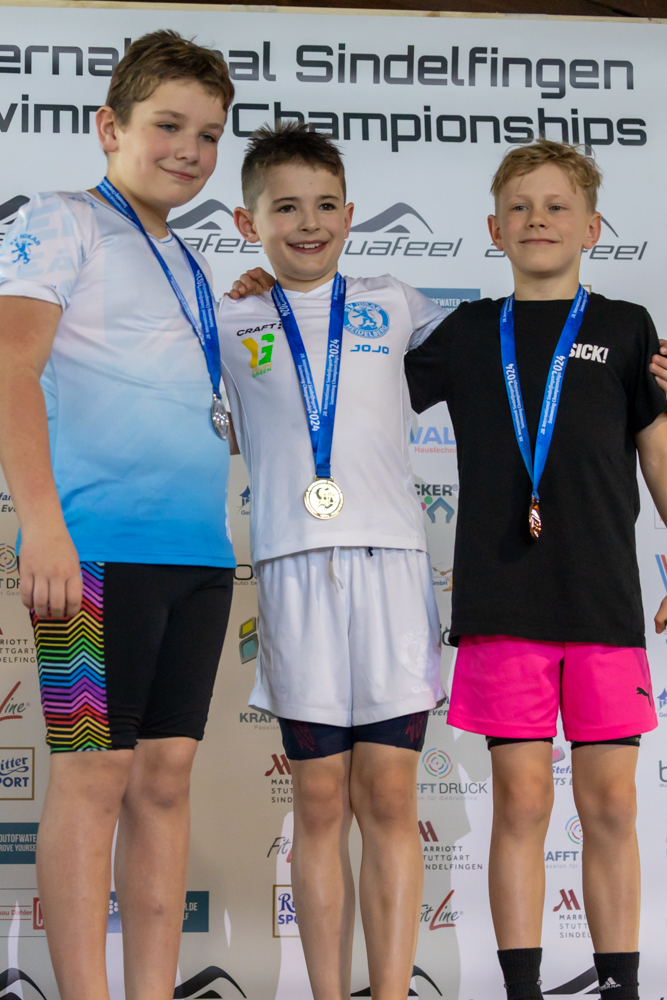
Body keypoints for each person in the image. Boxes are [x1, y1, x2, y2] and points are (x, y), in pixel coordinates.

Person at [0, 31, 236, 1000]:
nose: (189, 149)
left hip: (198, 554)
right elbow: (10, 368)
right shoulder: (62, 220)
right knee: (93, 776)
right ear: (110, 126)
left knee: (166, 779)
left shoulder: (191, 258)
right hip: (92, 550)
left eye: (208, 134)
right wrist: (42, 523)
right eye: (168, 125)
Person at [403, 140, 667, 1000]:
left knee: (612, 803)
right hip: (500, 603)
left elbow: (657, 451)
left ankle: (620, 984)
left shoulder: (626, 328)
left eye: (556, 207)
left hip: (601, 601)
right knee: (519, 801)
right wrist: (277, 289)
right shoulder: (465, 333)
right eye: (518, 207)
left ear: (591, 228)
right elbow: (362, 367)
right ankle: (520, 987)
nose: (537, 220)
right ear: (493, 230)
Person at [219, 123, 446, 1000]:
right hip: (293, 570)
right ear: (249, 223)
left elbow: (509, 354)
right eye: (285, 208)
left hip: (392, 568)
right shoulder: (229, 317)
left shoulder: (397, 300)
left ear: (350, 216)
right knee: (317, 804)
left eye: (323, 206)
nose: (307, 224)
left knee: (388, 797)